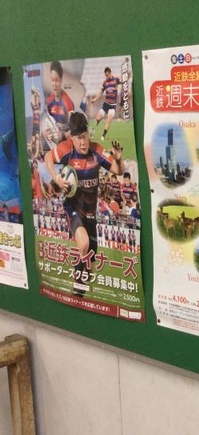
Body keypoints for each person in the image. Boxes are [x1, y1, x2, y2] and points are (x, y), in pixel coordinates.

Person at [44, 112, 124, 295]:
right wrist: (56, 177)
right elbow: (48, 157)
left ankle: (81, 290)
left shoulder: (96, 151)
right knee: (83, 244)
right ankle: (76, 287)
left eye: (85, 136)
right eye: (78, 138)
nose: (83, 142)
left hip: (91, 213)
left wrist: (119, 159)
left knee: (90, 260)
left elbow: (118, 171)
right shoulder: (66, 149)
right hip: (72, 207)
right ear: (72, 138)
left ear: (88, 134)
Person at [45, 61, 75, 140]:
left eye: (57, 80)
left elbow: (74, 130)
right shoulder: (49, 101)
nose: (54, 84)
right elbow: (47, 126)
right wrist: (47, 133)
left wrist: (63, 135)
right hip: (55, 142)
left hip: (66, 142)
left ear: (61, 80)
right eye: (52, 80)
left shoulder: (68, 103)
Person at [91, 67, 121, 141]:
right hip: (106, 104)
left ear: (110, 73)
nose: (106, 77)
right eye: (105, 75)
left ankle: (103, 136)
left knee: (109, 120)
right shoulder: (105, 83)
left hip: (112, 106)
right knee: (98, 119)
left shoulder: (116, 79)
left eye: (107, 75)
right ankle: (92, 131)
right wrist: (95, 99)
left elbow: (123, 82)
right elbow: (100, 92)